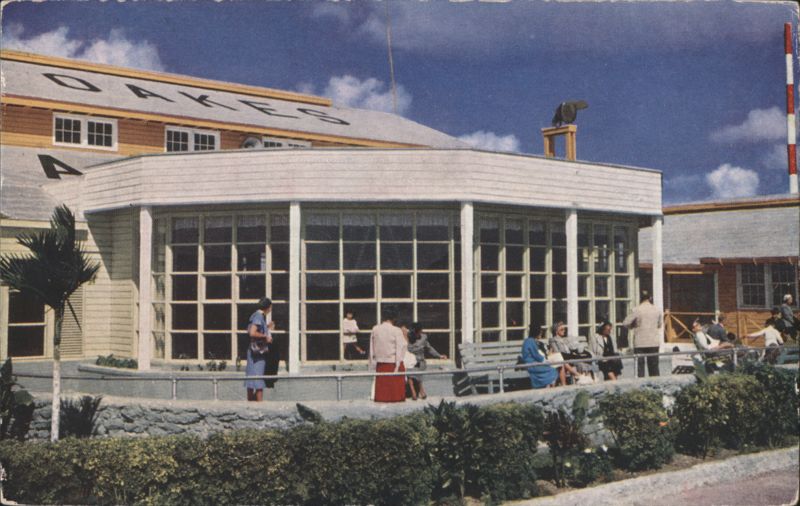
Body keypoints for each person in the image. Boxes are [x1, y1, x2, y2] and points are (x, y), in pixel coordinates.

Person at [369, 307, 407, 403]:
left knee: (383, 396)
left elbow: (371, 348)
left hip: (380, 364)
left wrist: (372, 364)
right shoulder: (396, 330)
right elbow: (401, 347)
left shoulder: (375, 329)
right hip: (394, 363)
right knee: (395, 397)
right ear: (394, 318)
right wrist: (398, 365)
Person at [622, 291, 663, 377]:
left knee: (639, 368)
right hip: (653, 341)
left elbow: (626, 323)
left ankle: (640, 387)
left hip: (640, 342)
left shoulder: (636, 310)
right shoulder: (657, 310)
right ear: (650, 298)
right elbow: (659, 324)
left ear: (640, 298)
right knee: (654, 368)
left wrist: (634, 325)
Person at [406, 322, 447, 400]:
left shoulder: (423, 337)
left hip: (420, 361)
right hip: (409, 361)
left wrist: (439, 356)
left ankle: (418, 390)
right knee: (410, 368)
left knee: (416, 369)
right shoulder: (407, 337)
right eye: (419, 332)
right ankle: (415, 391)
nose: (420, 333)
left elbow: (429, 348)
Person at [245, 297, 274, 401]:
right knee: (258, 378)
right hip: (258, 353)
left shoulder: (255, 315)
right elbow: (252, 332)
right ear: (268, 307)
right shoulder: (259, 316)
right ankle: (259, 404)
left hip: (252, 352)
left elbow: (255, 328)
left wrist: (267, 327)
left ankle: (251, 404)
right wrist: (266, 337)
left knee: (251, 378)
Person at [520, 324, 559, 389]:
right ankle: (548, 387)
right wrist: (545, 360)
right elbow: (535, 355)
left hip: (533, 363)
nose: (541, 334)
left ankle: (548, 386)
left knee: (552, 368)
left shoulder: (530, 341)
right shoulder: (530, 341)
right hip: (532, 364)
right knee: (552, 370)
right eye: (540, 332)